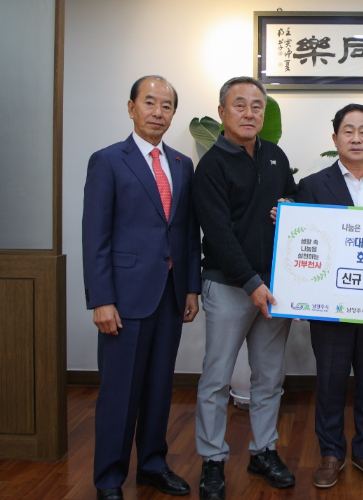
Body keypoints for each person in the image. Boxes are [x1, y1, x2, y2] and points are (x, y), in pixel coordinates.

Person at [82, 75, 201, 500]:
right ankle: (109, 478)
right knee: (119, 393)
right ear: (131, 107)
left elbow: (186, 232)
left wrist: (191, 288)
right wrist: (102, 300)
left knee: (158, 387)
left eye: (166, 106)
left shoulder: (182, 165)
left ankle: (152, 464)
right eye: (149, 103)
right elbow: (95, 236)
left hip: (170, 295)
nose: (158, 112)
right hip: (124, 298)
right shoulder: (108, 161)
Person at [193, 76, 297, 500]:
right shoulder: (210, 166)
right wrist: (252, 283)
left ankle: (263, 450)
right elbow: (218, 234)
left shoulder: (275, 156)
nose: (249, 113)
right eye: (240, 105)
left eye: (257, 106)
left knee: (269, 378)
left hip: (274, 289)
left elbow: (293, 204)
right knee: (217, 378)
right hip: (229, 286)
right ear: (222, 112)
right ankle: (212, 459)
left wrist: (289, 208)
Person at [296, 104, 363, 489]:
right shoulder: (311, 185)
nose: (356, 138)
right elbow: (305, 243)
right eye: (348, 131)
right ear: (335, 138)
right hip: (330, 304)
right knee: (330, 380)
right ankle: (330, 452)